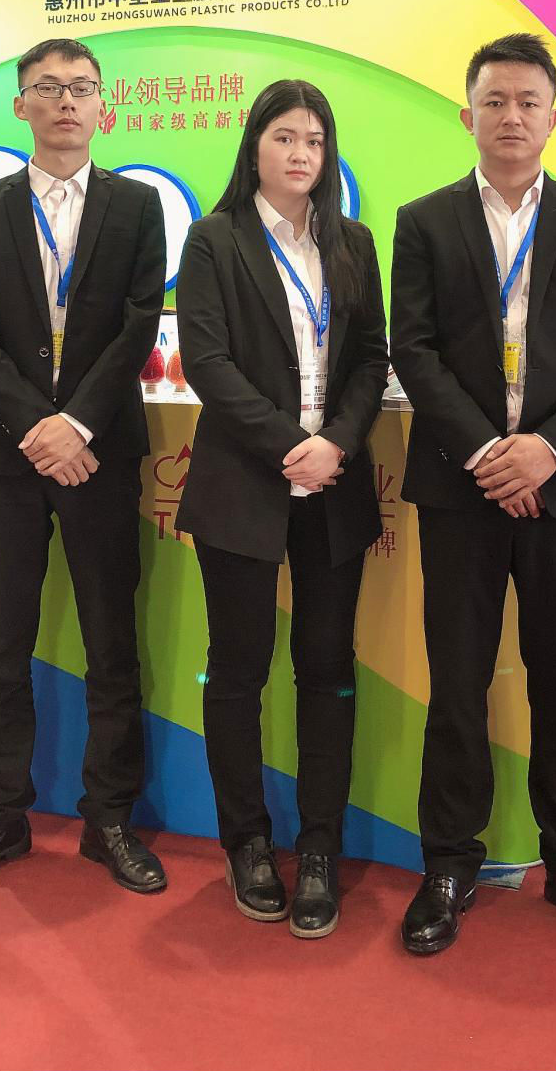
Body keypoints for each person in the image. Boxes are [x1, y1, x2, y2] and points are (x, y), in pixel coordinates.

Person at [390, 33, 556, 958]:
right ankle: (448, 862)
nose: (510, 116)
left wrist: (544, 450)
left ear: (552, 117)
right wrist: (485, 452)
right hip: (460, 487)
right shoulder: (423, 222)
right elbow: (413, 347)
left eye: (527, 102)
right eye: (494, 101)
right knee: (456, 678)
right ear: (466, 114)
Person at [0, 39, 166, 899]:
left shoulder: (136, 206)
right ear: (20, 105)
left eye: (81, 87)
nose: (66, 101)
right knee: (3, 646)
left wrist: (77, 424)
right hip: (7, 453)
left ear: (104, 106)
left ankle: (110, 819)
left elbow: (138, 324)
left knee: (111, 643)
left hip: (100, 452)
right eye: (47, 87)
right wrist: (37, 426)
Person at [176, 81, 388, 937]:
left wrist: (334, 442)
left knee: (326, 669)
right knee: (237, 669)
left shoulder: (351, 242)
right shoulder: (214, 239)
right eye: (284, 137)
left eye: (315, 140)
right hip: (243, 483)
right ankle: (248, 842)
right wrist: (285, 444)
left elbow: (370, 358)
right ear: (254, 146)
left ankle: (321, 847)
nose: (301, 154)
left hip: (333, 486)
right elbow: (207, 360)